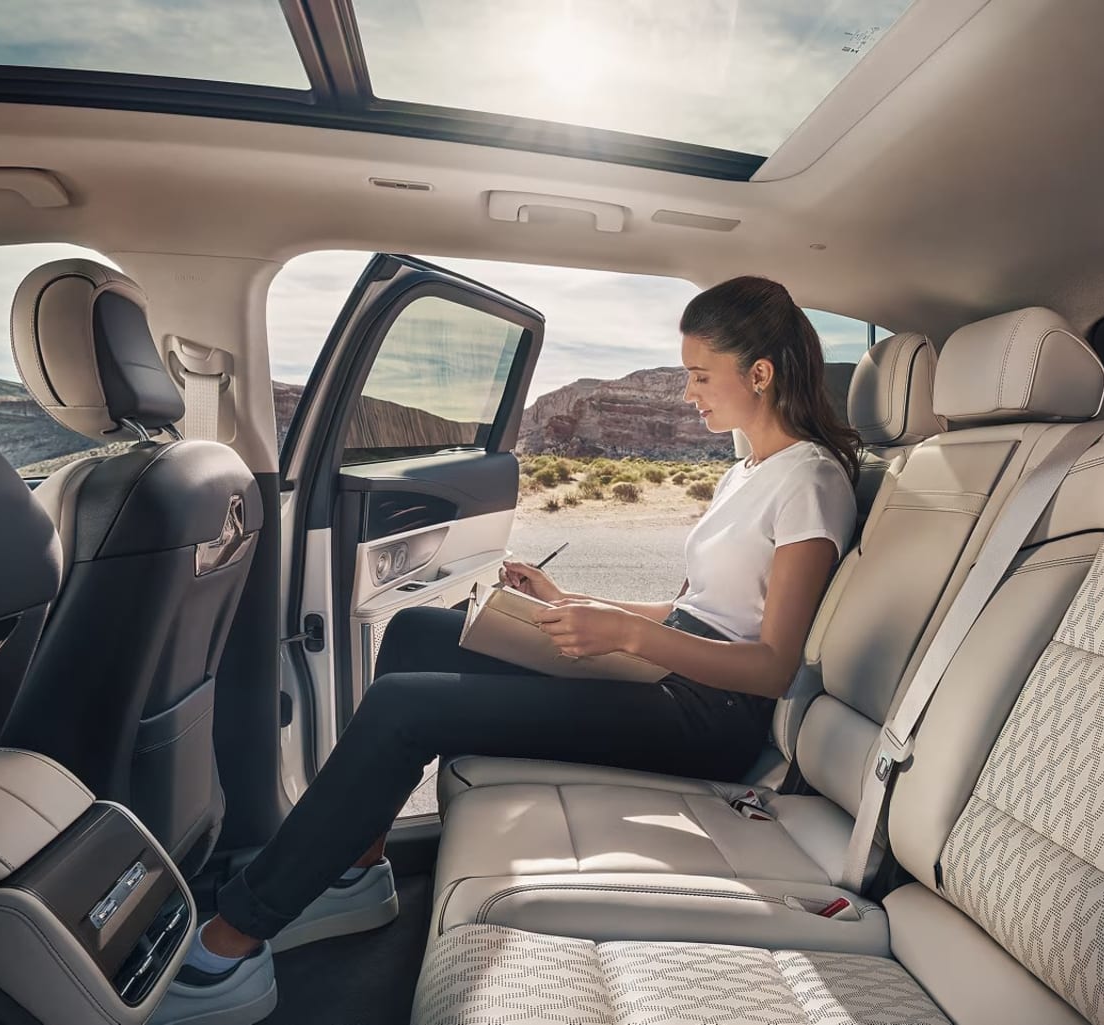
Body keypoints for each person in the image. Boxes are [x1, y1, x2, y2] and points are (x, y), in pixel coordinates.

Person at [154, 275, 860, 1024]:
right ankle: (359, 864)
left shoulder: (810, 481)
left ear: (760, 373)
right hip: (669, 666)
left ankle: (232, 940)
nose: (688, 393)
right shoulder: (746, 471)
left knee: (405, 708)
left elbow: (771, 663)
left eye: (698, 375)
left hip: (710, 716)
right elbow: (693, 610)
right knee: (416, 631)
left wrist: (624, 635)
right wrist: (572, 604)